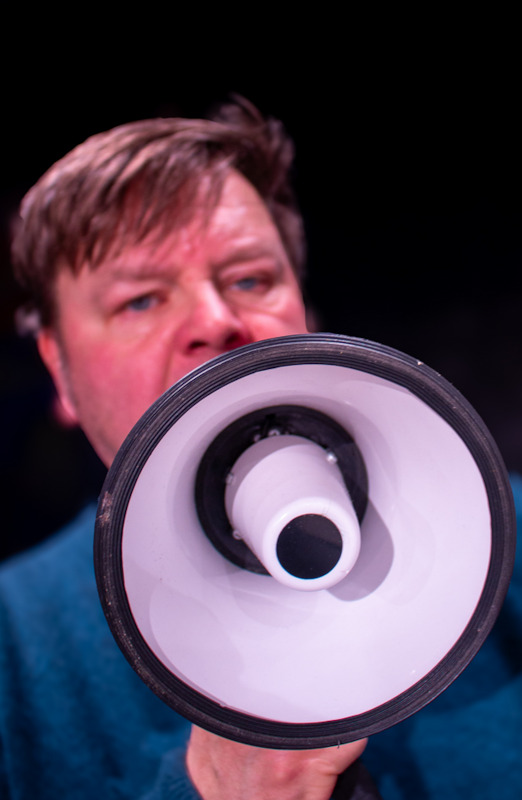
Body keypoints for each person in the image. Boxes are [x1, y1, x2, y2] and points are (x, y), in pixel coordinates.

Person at [0, 99, 367, 800]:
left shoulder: (500, 533)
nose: (217, 320)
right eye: (140, 300)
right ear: (60, 372)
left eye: (250, 280)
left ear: (306, 315)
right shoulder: (14, 649)